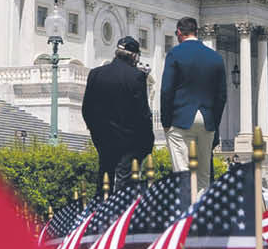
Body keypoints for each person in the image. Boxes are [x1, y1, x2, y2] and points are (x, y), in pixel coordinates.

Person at [159, 16, 227, 208]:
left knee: (182, 171)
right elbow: (222, 96)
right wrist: (214, 122)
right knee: (204, 174)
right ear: (196, 32)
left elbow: (166, 90)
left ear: (179, 33)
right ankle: (200, 213)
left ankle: (185, 215)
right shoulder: (215, 57)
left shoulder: (175, 54)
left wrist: (166, 121)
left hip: (180, 118)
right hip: (206, 119)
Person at [82, 36, 153, 187]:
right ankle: (121, 208)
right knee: (124, 180)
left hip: (103, 138)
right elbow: (142, 113)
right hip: (129, 140)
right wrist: (148, 139)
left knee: (105, 176)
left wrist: (95, 132)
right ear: (133, 56)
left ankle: (101, 206)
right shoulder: (136, 77)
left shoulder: (95, 73)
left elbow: (86, 109)